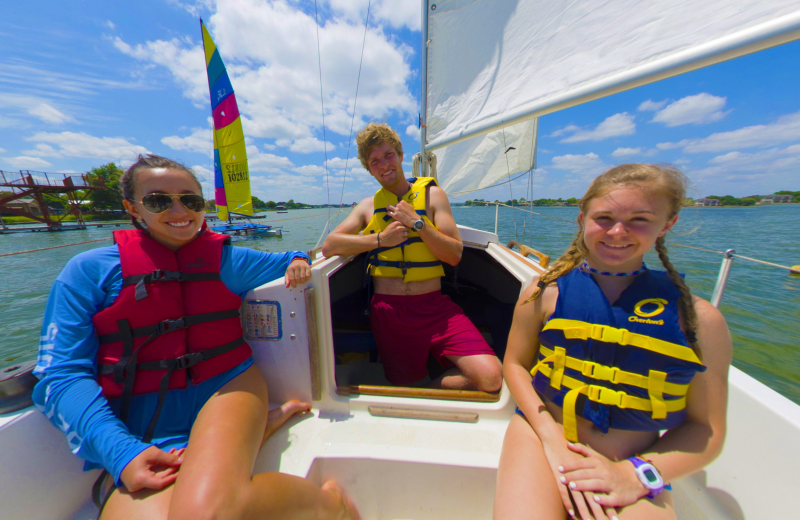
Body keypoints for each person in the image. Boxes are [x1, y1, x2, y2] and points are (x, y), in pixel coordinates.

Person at [33, 155, 359, 520]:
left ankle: (331, 507)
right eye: (159, 200)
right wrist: (121, 452)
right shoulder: (87, 272)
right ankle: (245, 440)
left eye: (190, 200)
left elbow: (295, 256)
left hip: (226, 388)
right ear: (133, 208)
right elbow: (60, 376)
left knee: (207, 514)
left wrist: (299, 256)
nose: (179, 210)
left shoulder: (227, 261)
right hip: (139, 422)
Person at [493, 164, 732, 520]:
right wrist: (550, 437)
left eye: (639, 219)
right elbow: (514, 364)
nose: (618, 231)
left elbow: (706, 430)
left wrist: (635, 474)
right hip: (542, 436)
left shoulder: (699, 320)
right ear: (582, 218)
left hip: (631, 462)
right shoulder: (543, 295)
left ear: (668, 224)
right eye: (604, 217)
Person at [321, 123, 502, 392]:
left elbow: (454, 255)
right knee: (404, 386)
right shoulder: (367, 206)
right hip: (389, 313)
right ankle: (419, 390)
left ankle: (430, 389)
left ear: (401, 155)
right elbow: (329, 245)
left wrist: (417, 223)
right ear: (369, 169)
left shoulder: (433, 196)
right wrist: (380, 239)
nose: (384, 164)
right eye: (374, 161)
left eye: (388, 155)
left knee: (491, 377)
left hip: (436, 309)